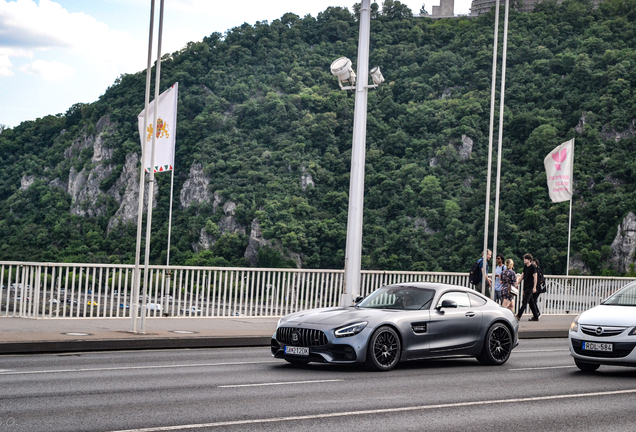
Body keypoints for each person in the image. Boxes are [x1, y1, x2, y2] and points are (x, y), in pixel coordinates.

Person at [516, 253, 541, 321]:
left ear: (529, 260)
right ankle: (536, 316)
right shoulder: (525, 267)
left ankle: (518, 315)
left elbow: (535, 277)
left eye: (525, 259)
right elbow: (522, 275)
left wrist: (534, 287)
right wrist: (517, 282)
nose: (524, 260)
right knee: (531, 302)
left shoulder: (533, 267)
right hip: (526, 286)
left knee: (525, 301)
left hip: (530, 286)